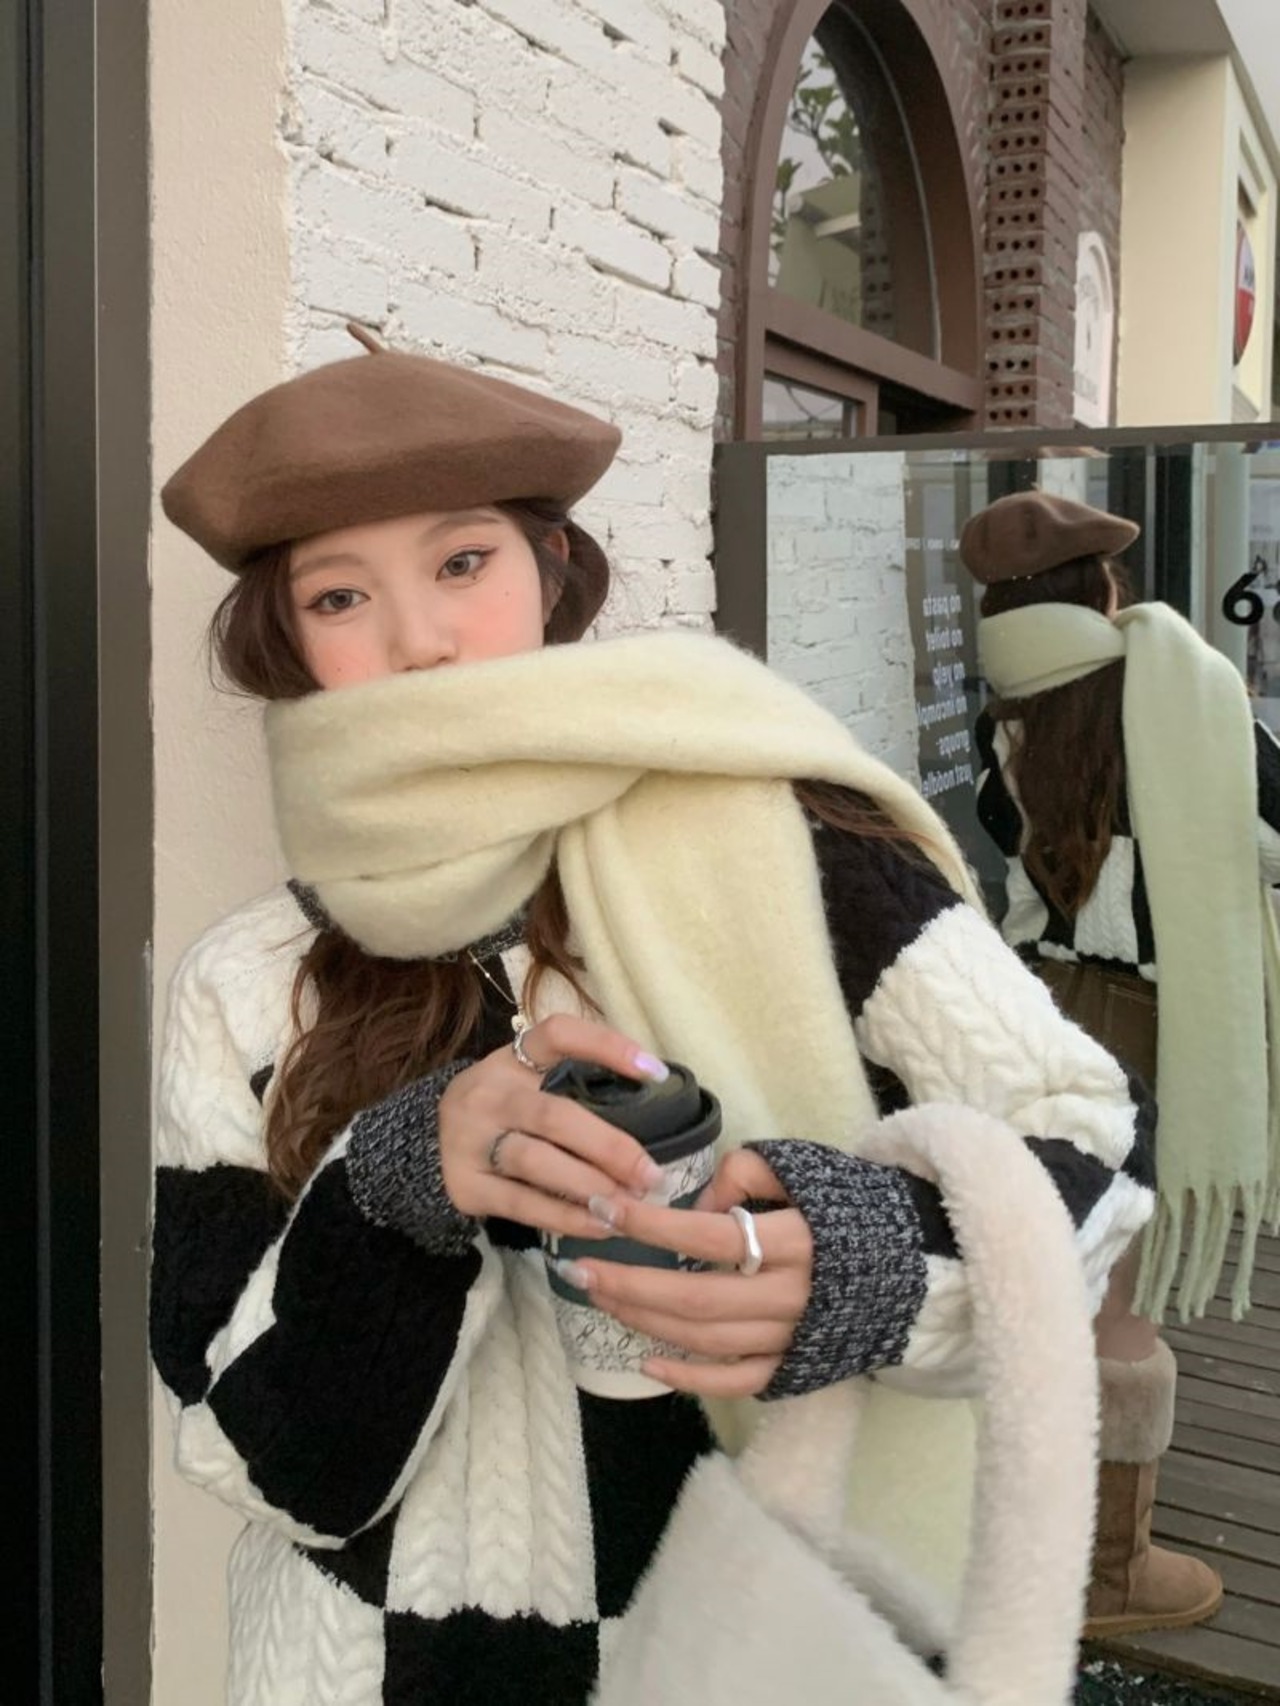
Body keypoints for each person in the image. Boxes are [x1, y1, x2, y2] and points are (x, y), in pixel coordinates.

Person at [151, 333, 1154, 1706]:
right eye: (339, 595)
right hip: (356, 1667)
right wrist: (394, 1184)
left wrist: (862, 1265)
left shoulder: (785, 838)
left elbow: (1085, 1142)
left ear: (552, 568)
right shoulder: (248, 980)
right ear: (287, 638)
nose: (418, 638)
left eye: (462, 563)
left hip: (741, 1653)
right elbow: (255, 1457)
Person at [963, 488, 1280, 1640]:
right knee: (1115, 1306)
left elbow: (1014, 853)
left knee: (1036, 1276)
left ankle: (1004, 1528)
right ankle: (1102, 1570)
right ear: (1101, 587)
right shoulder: (1190, 695)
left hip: (1027, 1014)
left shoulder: (1001, 723)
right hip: (1144, 1027)